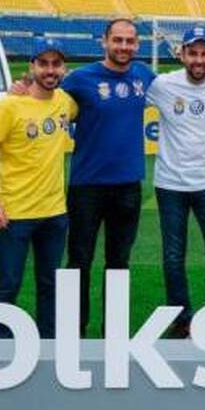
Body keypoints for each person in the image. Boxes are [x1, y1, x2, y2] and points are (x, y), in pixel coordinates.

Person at [59, 18, 156, 337]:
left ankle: (113, 331)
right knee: (79, 260)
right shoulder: (80, 79)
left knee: (118, 262)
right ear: (104, 41)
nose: (124, 47)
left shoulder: (143, 75)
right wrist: (21, 89)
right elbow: (47, 98)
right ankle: (75, 329)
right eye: (118, 40)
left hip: (127, 186)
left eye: (129, 41)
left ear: (137, 45)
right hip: (86, 186)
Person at [0, 37, 79, 339]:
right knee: (9, 283)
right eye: (44, 63)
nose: (50, 70)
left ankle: (49, 344)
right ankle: (0, 348)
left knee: (50, 284)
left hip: (54, 213)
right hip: (15, 214)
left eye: (56, 64)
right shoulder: (9, 105)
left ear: (64, 69)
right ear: (31, 67)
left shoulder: (65, 102)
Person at [146, 25, 205, 338]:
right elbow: (124, 89)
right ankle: (182, 317)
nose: (199, 60)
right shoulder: (162, 84)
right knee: (174, 256)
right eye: (193, 53)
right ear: (182, 54)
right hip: (170, 184)